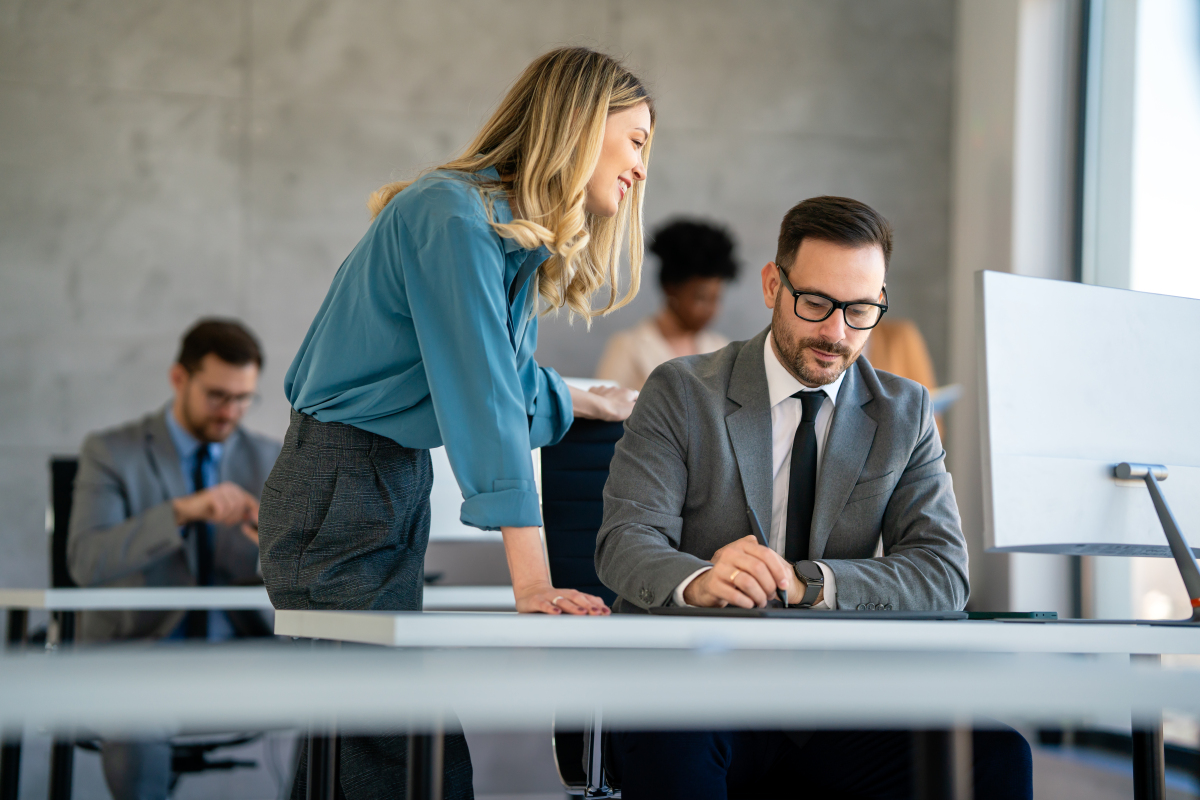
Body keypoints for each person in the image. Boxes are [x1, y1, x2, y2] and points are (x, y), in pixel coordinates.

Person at [258, 47, 653, 799]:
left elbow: (494, 375)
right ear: (580, 123)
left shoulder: (503, 235)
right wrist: (531, 583)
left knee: (360, 743)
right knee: (402, 751)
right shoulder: (452, 214)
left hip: (383, 481)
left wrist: (575, 399)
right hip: (341, 482)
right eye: (634, 139)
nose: (640, 167)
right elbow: (482, 399)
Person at [595, 197, 1032, 799]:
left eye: (860, 311)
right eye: (817, 304)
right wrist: (697, 582)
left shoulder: (904, 413)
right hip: (696, 685)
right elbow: (624, 542)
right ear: (774, 284)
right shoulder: (681, 391)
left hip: (832, 700)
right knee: (674, 747)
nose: (836, 333)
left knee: (996, 757)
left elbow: (943, 574)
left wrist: (811, 584)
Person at [68, 318, 281, 800]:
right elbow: (86, 560)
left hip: (241, 651)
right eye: (217, 395)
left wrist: (270, 544)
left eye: (244, 398)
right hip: (138, 653)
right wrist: (179, 512)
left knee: (348, 679)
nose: (231, 412)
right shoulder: (111, 453)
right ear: (179, 379)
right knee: (137, 704)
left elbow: (300, 575)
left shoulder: (270, 458)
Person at [595, 218, 737, 390]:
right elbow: (606, 411)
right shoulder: (628, 348)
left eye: (716, 298)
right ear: (671, 289)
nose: (711, 310)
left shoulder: (722, 350)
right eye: (701, 298)